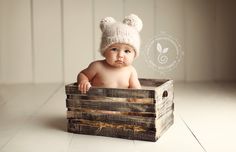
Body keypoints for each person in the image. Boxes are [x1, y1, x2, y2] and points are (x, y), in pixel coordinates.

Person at [77, 14, 143, 93]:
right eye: (114, 49)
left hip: (122, 105)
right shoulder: (97, 66)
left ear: (134, 54)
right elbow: (83, 74)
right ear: (105, 51)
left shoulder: (131, 71)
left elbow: (137, 91)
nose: (120, 55)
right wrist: (83, 81)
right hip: (97, 104)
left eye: (127, 51)